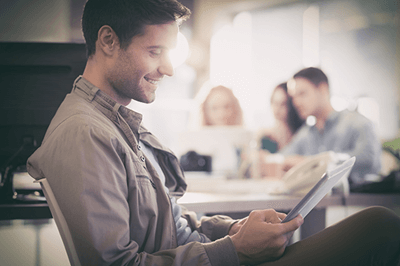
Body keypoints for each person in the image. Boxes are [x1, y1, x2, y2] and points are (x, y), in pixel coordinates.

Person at [25, 1, 400, 265]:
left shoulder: (117, 123)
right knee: (380, 226)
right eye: (155, 51)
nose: (168, 69)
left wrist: (236, 230)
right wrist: (235, 251)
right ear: (107, 41)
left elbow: (171, 225)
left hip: (218, 254)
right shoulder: (85, 133)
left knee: (378, 226)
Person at [281, 67, 382, 186]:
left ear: (323, 89)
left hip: (359, 201)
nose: (296, 102)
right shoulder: (306, 133)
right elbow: (284, 157)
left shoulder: (358, 123)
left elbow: (369, 161)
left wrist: (314, 163)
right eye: (293, 97)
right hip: (320, 201)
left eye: (302, 94)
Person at [259, 82, 304, 153]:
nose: (277, 109)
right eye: (275, 103)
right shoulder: (266, 137)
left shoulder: (302, 134)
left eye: (283, 104)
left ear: (291, 105)